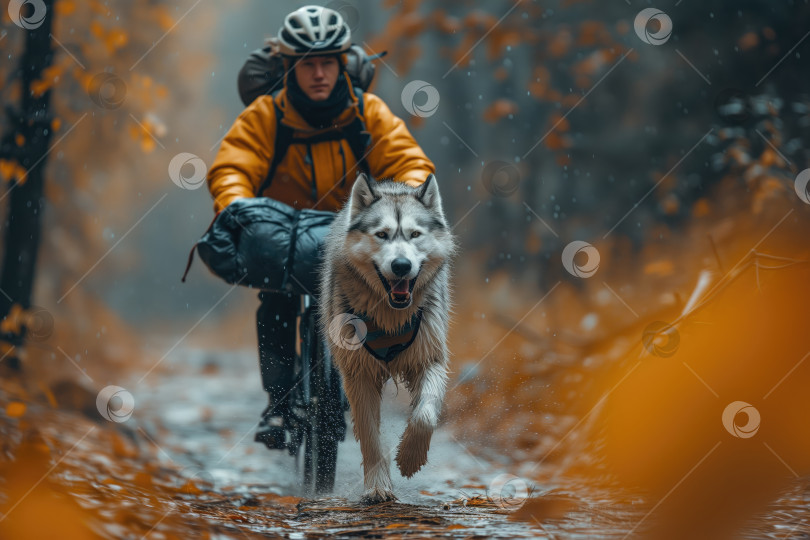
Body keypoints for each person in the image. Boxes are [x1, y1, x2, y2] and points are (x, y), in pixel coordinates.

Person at [205, 5, 436, 448]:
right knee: (276, 299)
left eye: (327, 62)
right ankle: (277, 403)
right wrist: (236, 204)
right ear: (290, 66)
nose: (318, 73)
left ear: (342, 64)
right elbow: (234, 164)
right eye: (307, 64)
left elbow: (405, 158)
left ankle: (345, 389)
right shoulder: (266, 115)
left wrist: (407, 200)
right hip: (280, 228)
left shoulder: (367, 113)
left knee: (351, 304)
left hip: (343, 230)